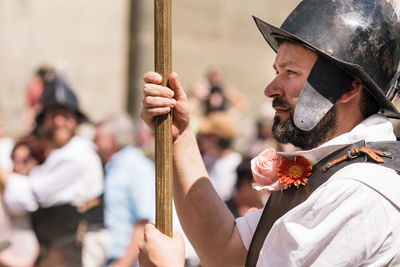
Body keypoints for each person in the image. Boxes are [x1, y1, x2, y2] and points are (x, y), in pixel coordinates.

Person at [139, 0, 400, 266]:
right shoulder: (335, 171)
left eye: (290, 72)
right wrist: (179, 136)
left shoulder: (355, 192)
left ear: (348, 89)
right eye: (277, 71)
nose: (271, 88)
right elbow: (227, 251)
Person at [0, 79, 106, 267]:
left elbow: (28, 195)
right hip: (60, 246)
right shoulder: (59, 153)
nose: (59, 121)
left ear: (76, 120)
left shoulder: (78, 154)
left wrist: (3, 175)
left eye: (65, 115)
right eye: (53, 115)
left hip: (76, 248)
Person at [94, 113, 155, 267]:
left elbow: (144, 221)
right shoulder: (111, 166)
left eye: (97, 137)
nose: (94, 143)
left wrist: (124, 262)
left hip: (125, 260)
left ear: (113, 137)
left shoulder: (137, 166)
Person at [0, 135, 47, 267]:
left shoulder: (41, 186)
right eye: (15, 160)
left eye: (25, 161)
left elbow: (21, 195)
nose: (18, 166)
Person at [196, 111, 242, 201]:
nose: (199, 138)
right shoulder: (207, 158)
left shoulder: (235, 165)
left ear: (214, 138)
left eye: (203, 135)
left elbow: (223, 197)